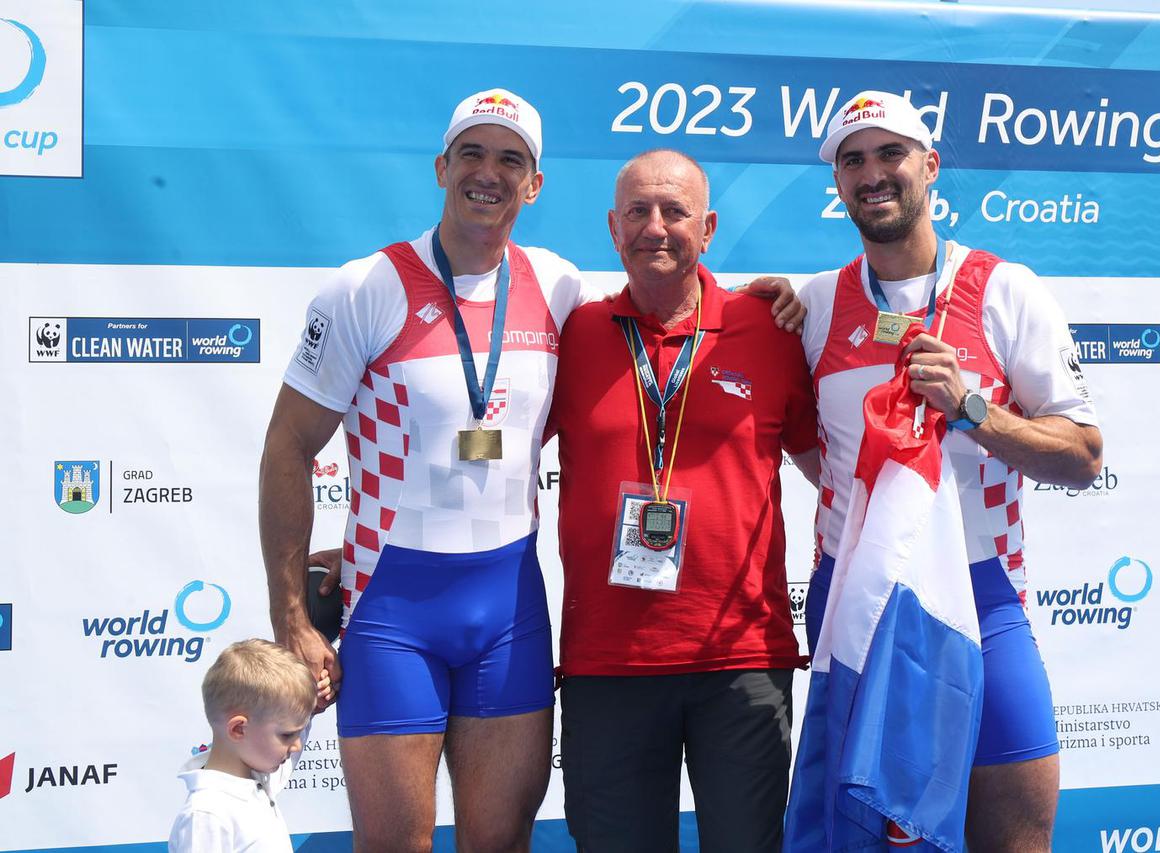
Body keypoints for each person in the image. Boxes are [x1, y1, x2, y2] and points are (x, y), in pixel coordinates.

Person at [262, 91, 803, 852]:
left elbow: (669, 311)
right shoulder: (367, 287)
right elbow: (287, 447)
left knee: (501, 841)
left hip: (508, 610)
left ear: (535, 183)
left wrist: (767, 299)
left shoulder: (556, 289)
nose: (489, 173)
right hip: (393, 607)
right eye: (473, 154)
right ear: (442, 167)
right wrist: (291, 614)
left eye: (510, 159)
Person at [797, 91, 1103, 852]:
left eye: (891, 154)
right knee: (866, 841)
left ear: (930, 166)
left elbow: (1083, 455)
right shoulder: (814, 304)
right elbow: (809, 447)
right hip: (858, 602)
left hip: (981, 597)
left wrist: (971, 409)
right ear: (838, 182)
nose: (873, 173)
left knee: (1016, 835)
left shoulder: (1005, 289)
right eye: (853, 160)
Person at [547, 149, 821, 853]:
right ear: (613, 227)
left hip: (740, 658)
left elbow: (837, 466)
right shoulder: (573, 335)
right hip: (608, 663)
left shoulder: (772, 328)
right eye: (638, 211)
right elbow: (486, 443)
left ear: (708, 227)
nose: (656, 227)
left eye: (675, 211)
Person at [169, 639, 318, 853]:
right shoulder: (206, 814)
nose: (296, 746)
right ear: (239, 729)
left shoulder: (259, 778)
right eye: (287, 735)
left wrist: (312, 705)